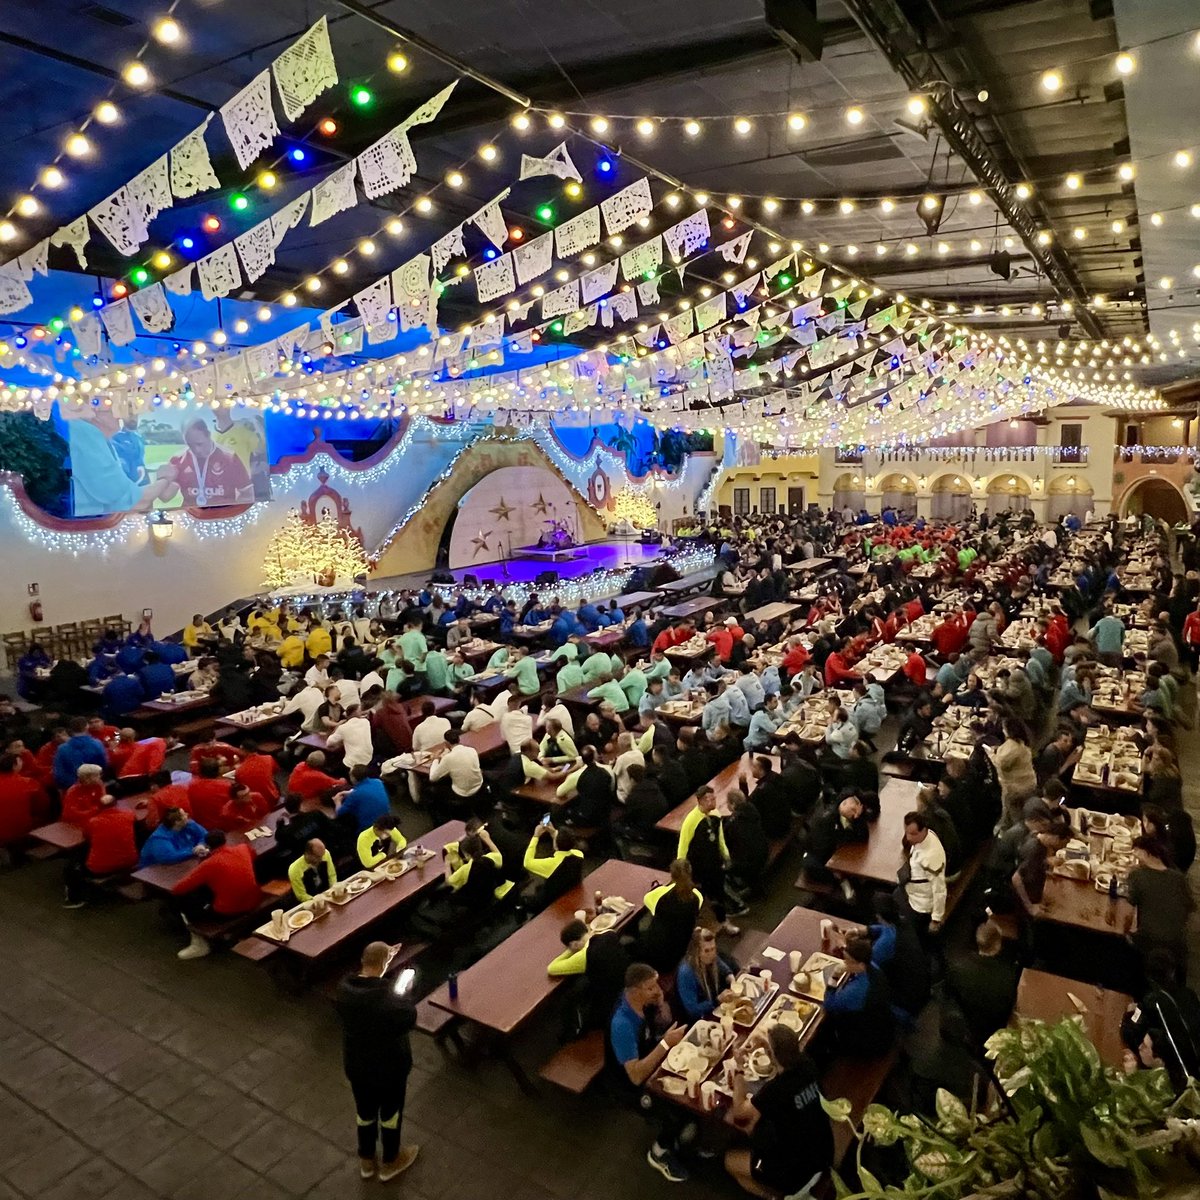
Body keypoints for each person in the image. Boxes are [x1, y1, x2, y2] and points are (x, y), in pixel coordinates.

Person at [334, 941, 420, 1181]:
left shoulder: (344, 989)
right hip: (389, 1069)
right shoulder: (388, 999)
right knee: (390, 1115)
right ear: (385, 963)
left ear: (363, 962)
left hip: (357, 1066)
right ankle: (391, 1159)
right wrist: (403, 993)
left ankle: (366, 1159)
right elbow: (408, 1017)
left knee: (364, 1112)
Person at [726, 1025, 833, 1199]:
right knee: (754, 1125)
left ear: (774, 1056)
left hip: (797, 1173)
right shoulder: (808, 1064)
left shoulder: (776, 1090)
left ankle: (776, 1196)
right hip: (824, 1152)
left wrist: (739, 1069)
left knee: (730, 1161)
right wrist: (768, 1046)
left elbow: (740, 1112)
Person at [607, 963, 690, 1183]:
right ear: (635, 991)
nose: (658, 990)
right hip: (628, 1085)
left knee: (691, 1091)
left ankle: (679, 1141)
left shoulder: (642, 1003)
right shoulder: (622, 1024)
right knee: (676, 1110)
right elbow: (634, 1076)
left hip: (648, 1061)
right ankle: (659, 1152)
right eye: (651, 987)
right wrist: (664, 1044)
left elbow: (661, 1023)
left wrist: (661, 1003)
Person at [170, 831, 262, 959]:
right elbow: (253, 855)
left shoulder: (209, 864)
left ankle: (199, 943)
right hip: (254, 899)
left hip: (228, 911)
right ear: (225, 839)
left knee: (182, 900)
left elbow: (177, 889)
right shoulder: (242, 848)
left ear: (207, 845)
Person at [547, 918, 632, 1036]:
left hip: (610, 1002)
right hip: (626, 985)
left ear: (574, 944)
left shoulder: (583, 956)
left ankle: (573, 1031)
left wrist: (571, 950)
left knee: (570, 995)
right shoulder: (608, 934)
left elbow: (552, 968)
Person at [945, 920, 1021, 1050]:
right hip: (996, 1024)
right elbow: (1010, 1003)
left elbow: (951, 993)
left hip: (969, 1019)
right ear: (998, 945)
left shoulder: (958, 966)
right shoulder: (1008, 974)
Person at [820, 932, 896, 1057]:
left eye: (848, 961)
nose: (845, 963)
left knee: (827, 1023)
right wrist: (845, 948)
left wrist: (833, 978)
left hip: (867, 1043)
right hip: (883, 1027)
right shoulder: (873, 966)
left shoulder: (855, 992)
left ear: (860, 964)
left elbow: (829, 1004)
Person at [1123, 836, 1192, 971]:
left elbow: (1127, 915)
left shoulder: (1138, 876)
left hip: (1148, 944)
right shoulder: (1179, 878)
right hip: (1178, 948)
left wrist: (1125, 933)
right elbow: (1188, 910)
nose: (1135, 856)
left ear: (1145, 852)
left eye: (1136, 851)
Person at [678, 786, 736, 934]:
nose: (712, 802)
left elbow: (720, 838)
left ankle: (723, 921)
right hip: (698, 868)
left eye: (713, 798)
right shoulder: (691, 821)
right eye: (708, 799)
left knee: (718, 895)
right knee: (696, 899)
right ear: (699, 801)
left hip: (715, 864)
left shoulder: (716, 815)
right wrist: (681, 871)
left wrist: (726, 855)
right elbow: (683, 846)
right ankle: (689, 927)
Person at [640, 859, 704, 972]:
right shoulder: (698, 897)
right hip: (678, 953)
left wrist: (659, 888)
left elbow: (647, 899)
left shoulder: (661, 896)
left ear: (672, 875)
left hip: (655, 954)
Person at [900, 811, 947, 939]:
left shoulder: (931, 857)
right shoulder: (923, 838)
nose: (908, 837)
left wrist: (936, 918)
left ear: (924, 830)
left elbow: (940, 890)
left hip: (921, 904)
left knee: (918, 935)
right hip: (912, 892)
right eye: (906, 832)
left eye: (913, 834)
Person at [676, 925, 737, 1021]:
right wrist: (717, 1000)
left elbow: (723, 968)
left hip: (715, 1006)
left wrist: (732, 979)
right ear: (696, 951)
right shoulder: (686, 973)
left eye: (713, 949)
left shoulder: (711, 958)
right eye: (706, 951)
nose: (711, 954)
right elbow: (692, 1010)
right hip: (701, 1018)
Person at [138, 807, 208, 867]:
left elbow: (205, 835)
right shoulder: (159, 838)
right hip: (157, 869)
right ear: (177, 822)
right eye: (184, 815)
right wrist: (193, 851)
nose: (187, 814)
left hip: (183, 862)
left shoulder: (189, 824)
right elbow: (170, 857)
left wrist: (201, 845)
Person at [335, 765, 390, 833]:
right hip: (385, 822)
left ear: (353, 778)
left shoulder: (355, 795)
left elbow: (339, 813)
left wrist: (337, 800)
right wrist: (352, 792)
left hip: (368, 829)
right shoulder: (378, 782)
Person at [288, 837, 337, 902]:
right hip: (312, 901)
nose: (321, 859)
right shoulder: (294, 869)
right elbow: (301, 895)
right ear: (308, 853)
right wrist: (318, 900)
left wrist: (333, 890)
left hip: (328, 894)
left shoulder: (325, 854)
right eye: (318, 857)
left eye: (322, 855)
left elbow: (332, 876)